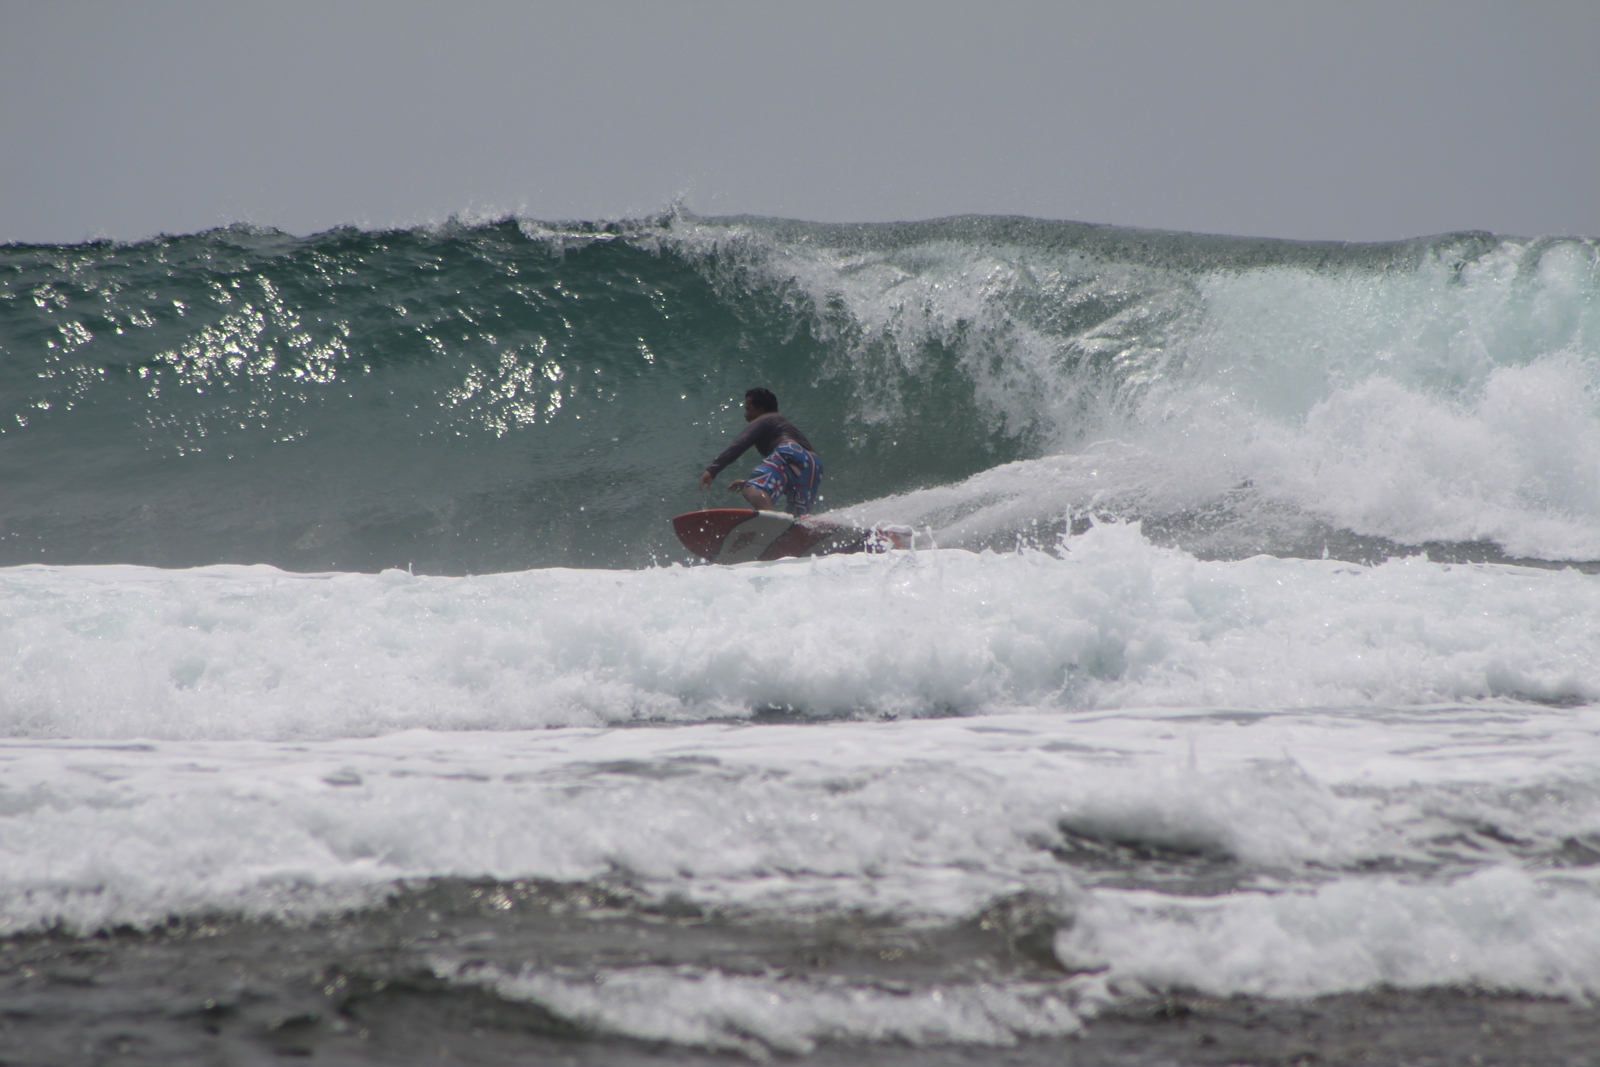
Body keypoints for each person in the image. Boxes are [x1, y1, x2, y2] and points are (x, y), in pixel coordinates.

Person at [699, 388, 824, 515]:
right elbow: (788, 475)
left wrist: (712, 470)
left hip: (789, 451)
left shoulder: (764, 418)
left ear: (761, 410)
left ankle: (774, 523)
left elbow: (739, 445)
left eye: (748, 409)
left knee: (752, 489)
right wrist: (747, 481)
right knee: (797, 520)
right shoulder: (784, 424)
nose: (745, 415)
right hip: (814, 464)